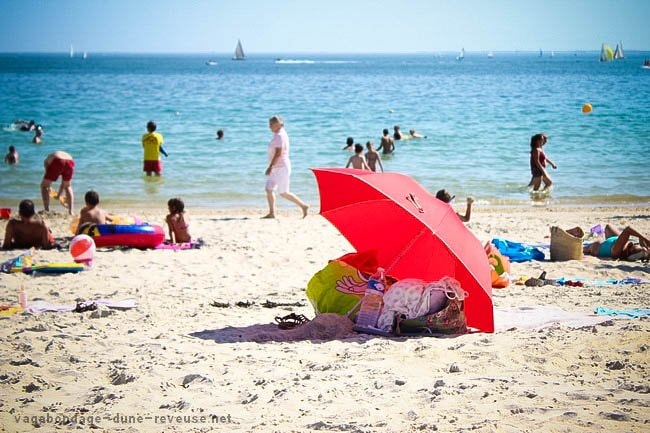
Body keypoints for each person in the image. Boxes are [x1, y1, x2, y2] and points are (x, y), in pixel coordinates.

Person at [263, 115, 309, 219]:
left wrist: (270, 166)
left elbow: (278, 153)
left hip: (281, 167)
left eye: (271, 124)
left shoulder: (279, 135)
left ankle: (303, 206)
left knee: (284, 192)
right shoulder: (278, 134)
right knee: (269, 188)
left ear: (278, 124)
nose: (269, 126)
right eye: (269, 124)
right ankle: (272, 213)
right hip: (276, 167)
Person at [583, 224, 650, 261]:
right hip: (612, 241)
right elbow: (640, 237)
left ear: (631, 250)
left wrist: (646, 240)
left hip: (595, 248)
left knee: (582, 248)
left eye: (639, 248)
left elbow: (628, 229)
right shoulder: (625, 246)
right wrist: (645, 246)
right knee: (608, 227)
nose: (640, 246)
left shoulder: (618, 250)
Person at [40, 151, 75, 215]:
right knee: (68, 186)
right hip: (70, 161)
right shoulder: (52, 156)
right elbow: (63, 185)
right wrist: (58, 195)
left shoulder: (46, 161)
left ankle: (46, 209)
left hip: (58, 160)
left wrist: (49, 187)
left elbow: (47, 180)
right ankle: (71, 211)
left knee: (44, 186)